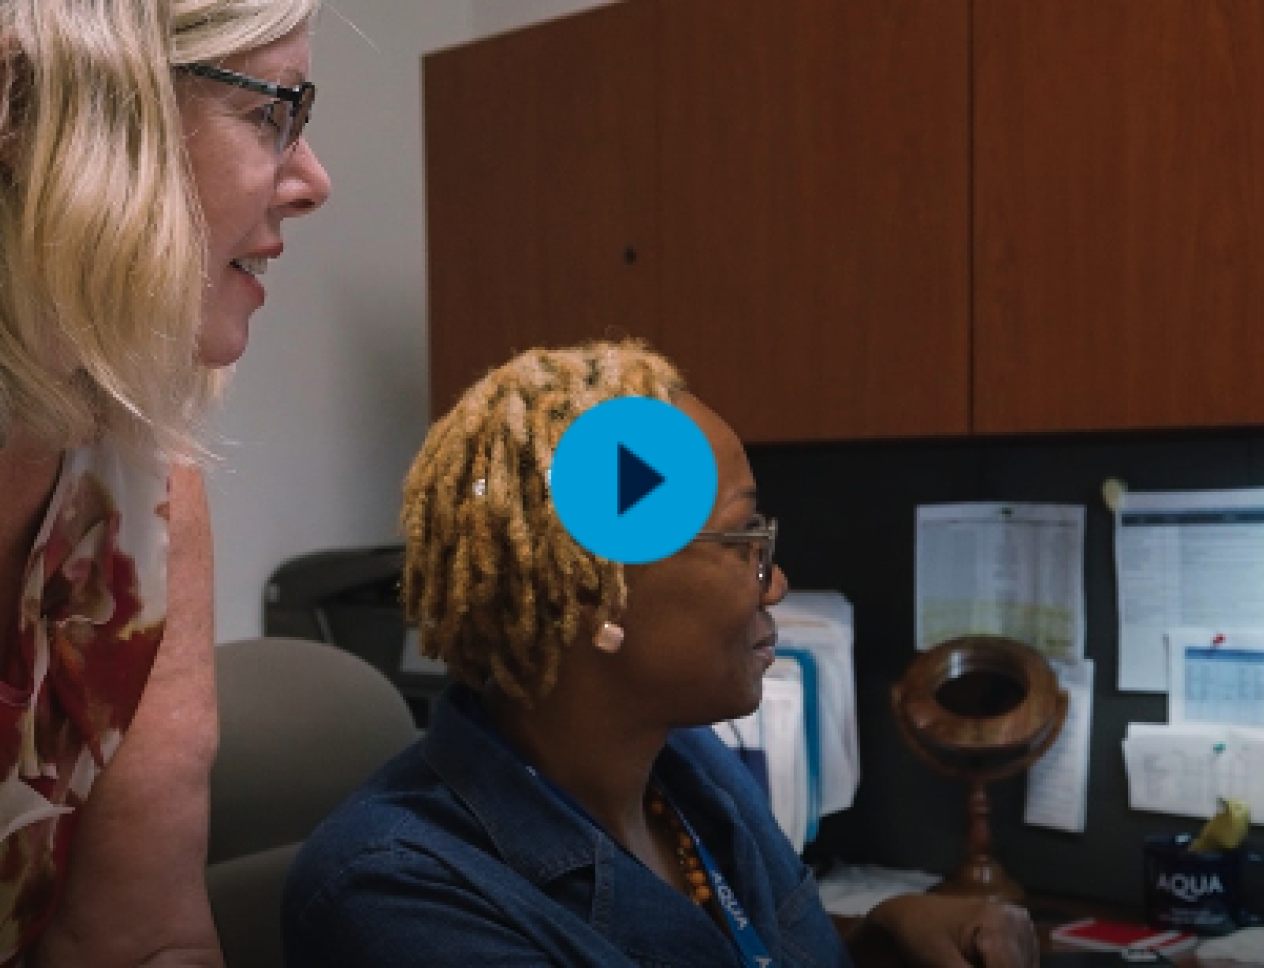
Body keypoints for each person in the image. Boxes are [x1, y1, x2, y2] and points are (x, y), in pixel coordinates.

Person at [283, 340, 1039, 968]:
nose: (774, 582)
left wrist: (881, 937)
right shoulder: (397, 894)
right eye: (745, 540)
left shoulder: (690, 773)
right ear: (600, 593)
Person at [0, 0, 330, 963]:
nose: (313, 182)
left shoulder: (138, 477)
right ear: (73, 110)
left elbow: (138, 940)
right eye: (274, 114)